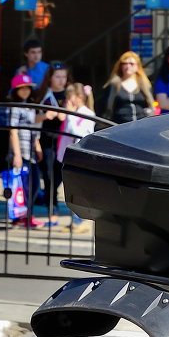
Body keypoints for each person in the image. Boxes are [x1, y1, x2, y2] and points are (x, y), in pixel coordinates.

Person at [33, 61, 72, 222]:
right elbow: (31, 117)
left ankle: (49, 195)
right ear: (50, 78)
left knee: (61, 173)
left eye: (64, 76)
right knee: (48, 174)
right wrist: (45, 116)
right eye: (58, 77)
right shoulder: (42, 95)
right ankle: (52, 207)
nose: (61, 80)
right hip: (47, 138)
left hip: (65, 139)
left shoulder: (70, 94)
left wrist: (69, 114)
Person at [56, 82, 97, 233]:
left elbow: (76, 132)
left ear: (79, 97)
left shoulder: (87, 114)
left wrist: (71, 115)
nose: (67, 101)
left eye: (70, 97)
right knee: (71, 188)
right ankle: (74, 220)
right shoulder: (73, 113)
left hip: (81, 157)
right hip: (70, 156)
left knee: (80, 189)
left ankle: (83, 221)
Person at [6, 72, 42, 228]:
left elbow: (33, 129)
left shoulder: (30, 106)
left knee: (33, 186)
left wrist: (38, 147)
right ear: (15, 90)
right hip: (21, 152)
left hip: (31, 151)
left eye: (28, 88)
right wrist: (17, 154)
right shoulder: (15, 107)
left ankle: (26, 215)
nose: (26, 91)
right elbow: (13, 131)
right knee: (21, 187)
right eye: (22, 88)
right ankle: (22, 216)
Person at [97, 51, 155, 124]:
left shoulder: (145, 85)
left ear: (137, 66)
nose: (128, 66)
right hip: (120, 124)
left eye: (131, 64)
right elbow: (106, 107)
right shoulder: (114, 85)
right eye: (125, 63)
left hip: (141, 124)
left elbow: (150, 105)